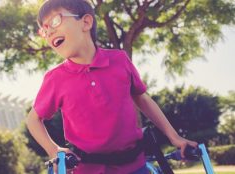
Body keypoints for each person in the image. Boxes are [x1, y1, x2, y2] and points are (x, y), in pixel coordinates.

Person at [26, 0, 198, 173]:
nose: (49, 31)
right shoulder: (55, 79)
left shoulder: (120, 60)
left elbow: (142, 98)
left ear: (85, 22)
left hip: (135, 165)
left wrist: (174, 137)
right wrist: (53, 149)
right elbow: (33, 119)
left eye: (55, 21)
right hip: (88, 169)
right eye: (44, 29)